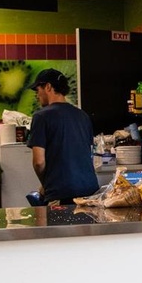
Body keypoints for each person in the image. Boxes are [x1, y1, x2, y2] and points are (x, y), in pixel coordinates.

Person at [27, 67, 98, 205]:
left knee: (60, 226)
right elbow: (87, 154)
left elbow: (38, 162)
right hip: (90, 192)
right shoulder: (83, 116)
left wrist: (46, 185)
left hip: (62, 193)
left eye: (37, 90)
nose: (37, 95)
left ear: (48, 87)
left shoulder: (41, 117)